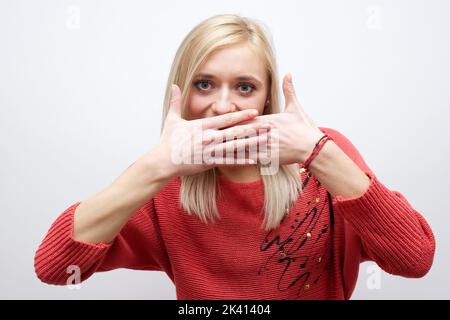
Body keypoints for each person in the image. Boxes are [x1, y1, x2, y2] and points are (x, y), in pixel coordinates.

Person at [34, 14, 435, 300]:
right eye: (204, 84)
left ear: (266, 97)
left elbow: (415, 259)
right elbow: (54, 269)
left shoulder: (323, 157)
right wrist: (157, 165)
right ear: (181, 92)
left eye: (245, 87)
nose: (223, 106)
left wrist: (317, 152)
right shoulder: (162, 179)